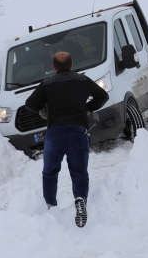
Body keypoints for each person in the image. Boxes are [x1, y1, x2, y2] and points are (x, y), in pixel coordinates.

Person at [25, 51, 109, 228]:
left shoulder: (46, 84)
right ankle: (80, 199)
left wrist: (45, 109)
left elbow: (29, 104)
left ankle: (49, 206)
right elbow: (103, 96)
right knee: (79, 172)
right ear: (72, 65)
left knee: (49, 172)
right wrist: (86, 108)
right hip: (77, 131)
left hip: (55, 133)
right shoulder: (82, 80)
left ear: (54, 67)